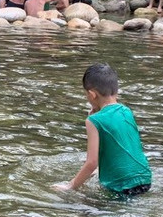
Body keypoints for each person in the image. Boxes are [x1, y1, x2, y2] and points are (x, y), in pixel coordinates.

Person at [53, 64, 152, 196]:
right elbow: (124, 147)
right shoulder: (126, 111)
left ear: (92, 94)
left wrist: (71, 185)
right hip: (145, 180)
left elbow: (91, 162)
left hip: (121, 187)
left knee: (81, 207)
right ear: (116, 90)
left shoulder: (94, 121)